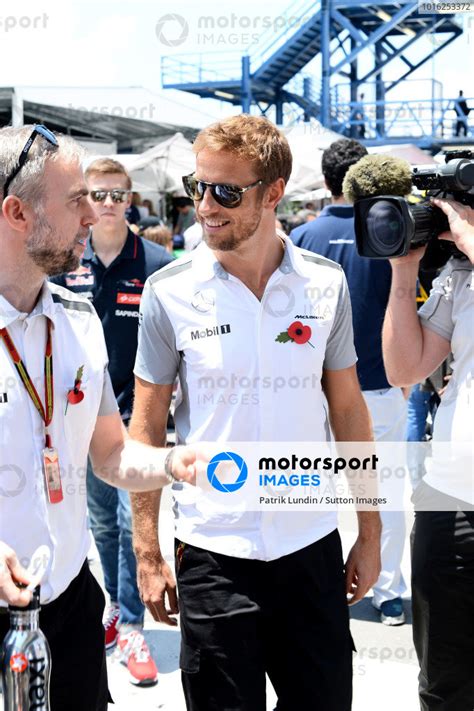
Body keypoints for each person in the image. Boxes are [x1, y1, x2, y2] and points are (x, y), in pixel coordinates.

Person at [130, 114, 381, 711]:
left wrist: (370, 530)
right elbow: (144, 428)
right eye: (198, 187)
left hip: (309, 546)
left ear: (274, 193)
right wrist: (147, 551)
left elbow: (348, 410)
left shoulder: (326, 284)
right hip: (212, 555)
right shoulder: (168, 291)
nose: (205, 207)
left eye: (226, 191)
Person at [0, 125, 199, 711]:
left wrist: (176, 462)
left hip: (70, 605)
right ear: (16, 212)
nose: (93, 215)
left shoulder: (79, 321)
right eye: (75, 201)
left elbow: (111, 455)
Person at [50, 158, 174, 685]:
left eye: (117, 195)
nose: (106, 204)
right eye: (96, 195)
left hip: (135, 416)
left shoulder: (157, 262)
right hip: (82, 419)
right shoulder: (64, 261)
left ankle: (132, 626)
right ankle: (113, 611)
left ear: (130, 200)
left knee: (131, 524)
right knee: (101, 523)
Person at [290, 138, 408, 625]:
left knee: (306, 490)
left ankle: (310, 589)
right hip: (379, 385)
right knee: (386, 492)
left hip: (315, 391)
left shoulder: (300, 237)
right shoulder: (391, 231)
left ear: (324, 181)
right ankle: (388, 591)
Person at [382, 196, 474, 709]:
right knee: (443, 682)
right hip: (449, 502)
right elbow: (405, 369)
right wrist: (404, 271)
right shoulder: (460, 276)